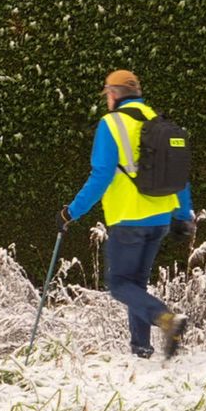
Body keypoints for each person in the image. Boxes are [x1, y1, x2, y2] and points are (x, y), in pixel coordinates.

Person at [60, 69, 193, 358]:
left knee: (120, 285)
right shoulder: (158, 121)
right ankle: (141, 348)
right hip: (160, 218)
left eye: (107, 93)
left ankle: (168, 319)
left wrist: (72, 212)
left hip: (128, 218)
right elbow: (179, 174)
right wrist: (183, 215)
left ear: (113, 94)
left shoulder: (111, 124)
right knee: (137, 286)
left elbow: (101, 175)